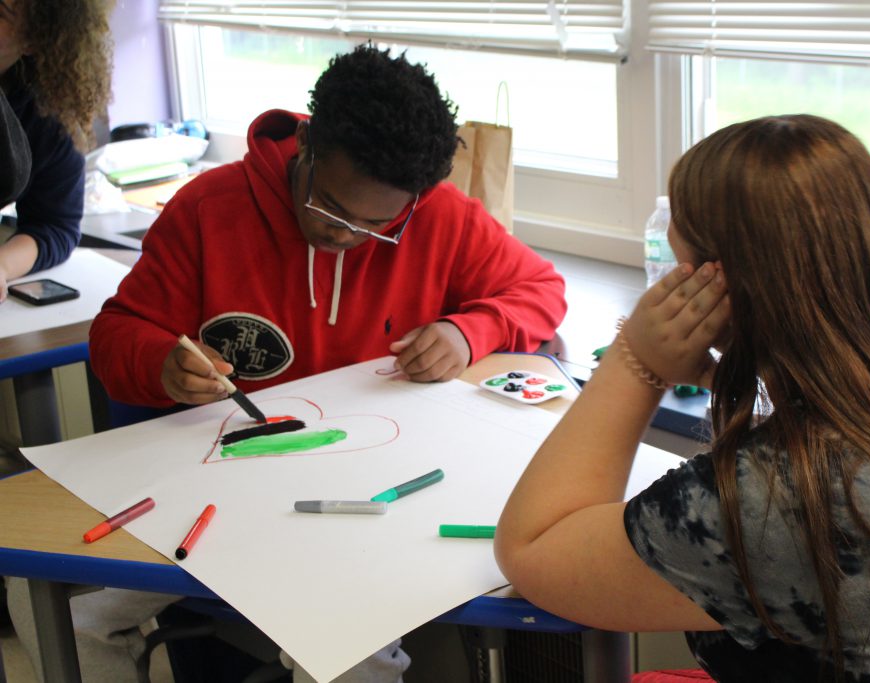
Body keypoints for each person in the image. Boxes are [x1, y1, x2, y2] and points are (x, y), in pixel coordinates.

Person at [15, 44, 564, 683]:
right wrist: (160, 361)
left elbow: (541, 291)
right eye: (331, 207)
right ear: (307, 147)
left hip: (371, 497)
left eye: (376, 224)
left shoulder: (439, 215)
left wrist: (472, 330)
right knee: (46, 599)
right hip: (218, 493)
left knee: (344, 654)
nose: (345, 236)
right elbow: (116, 334)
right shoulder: (207, 209)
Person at [495, 114, 870, 681]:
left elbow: (533, 549)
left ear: (717, 287)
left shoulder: (783, 491)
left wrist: (637, 363)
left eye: (680, 268)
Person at [0, 0, 112, 301]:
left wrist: (3, 265)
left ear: (34, 39)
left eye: (1, 12)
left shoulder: (46, 113)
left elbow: (53, 224)